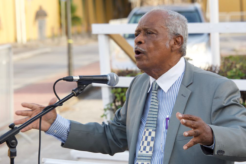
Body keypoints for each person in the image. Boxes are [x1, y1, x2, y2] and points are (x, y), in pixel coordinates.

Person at [15, 9, 246, 164]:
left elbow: (242, 139)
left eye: (149, 33)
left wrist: (212, 136)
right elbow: (113, 137)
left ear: (176, 42)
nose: (137, 39)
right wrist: (55, 125)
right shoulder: (138, 85)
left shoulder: (216, 88)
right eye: (136, 34)